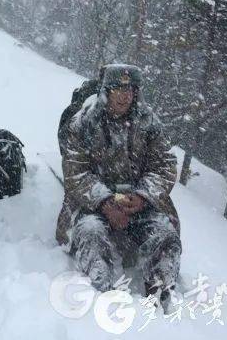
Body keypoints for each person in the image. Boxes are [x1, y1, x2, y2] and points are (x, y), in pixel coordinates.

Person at [56, 64, 181, 309]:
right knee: (90, 233)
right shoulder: (83, 123)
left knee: (166, 236)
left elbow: (165, 165)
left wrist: (143, 196)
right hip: (92, 202)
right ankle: (102, 297)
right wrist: (105, 202)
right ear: (106, 91)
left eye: (130, 89)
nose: (124, 95)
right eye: (118, 89)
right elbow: (75, 170)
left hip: (139, 200)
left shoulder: (148, 122)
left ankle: (159, 297)